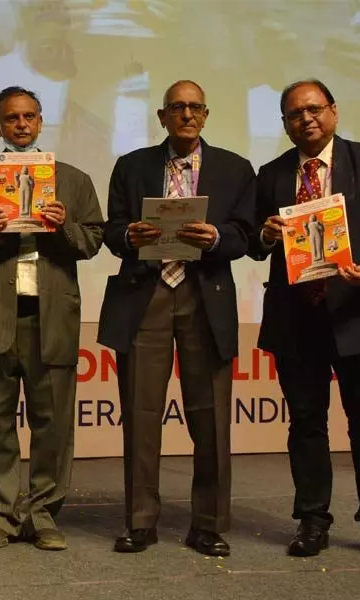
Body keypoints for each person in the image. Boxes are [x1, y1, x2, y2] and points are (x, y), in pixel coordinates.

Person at [98, 80, 256, 557]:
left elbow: (247, 236)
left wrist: (216, 237)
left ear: (205, 115)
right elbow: (110, 230)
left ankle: (208, 524)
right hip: (145, 294)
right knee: (140, 415)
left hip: (204, 294)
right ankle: (140, 521)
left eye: (194, 107)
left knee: (211, 417)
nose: (186, 115)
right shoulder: (132, 165)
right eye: (176, 108)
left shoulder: (234, 168)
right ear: (161, 116)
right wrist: (130, 233)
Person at [0, 85, 104, 551]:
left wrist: (63, 228)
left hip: (50, 315)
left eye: (29, 117)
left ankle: (43, 514)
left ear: (40, 122)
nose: (20, 125)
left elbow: (93, 240)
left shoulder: (72, 179)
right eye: (11, 118)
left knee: (52, 423)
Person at [249, 79, 360, 557]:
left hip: (357, 313)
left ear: (334, 111)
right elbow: (256, 243)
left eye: (315, 109)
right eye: (295, 114)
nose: (307, 119)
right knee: (306, 422)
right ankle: (312, 521)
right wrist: (264, 232)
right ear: (284, 124)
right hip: (297, 317)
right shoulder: (272, 173)